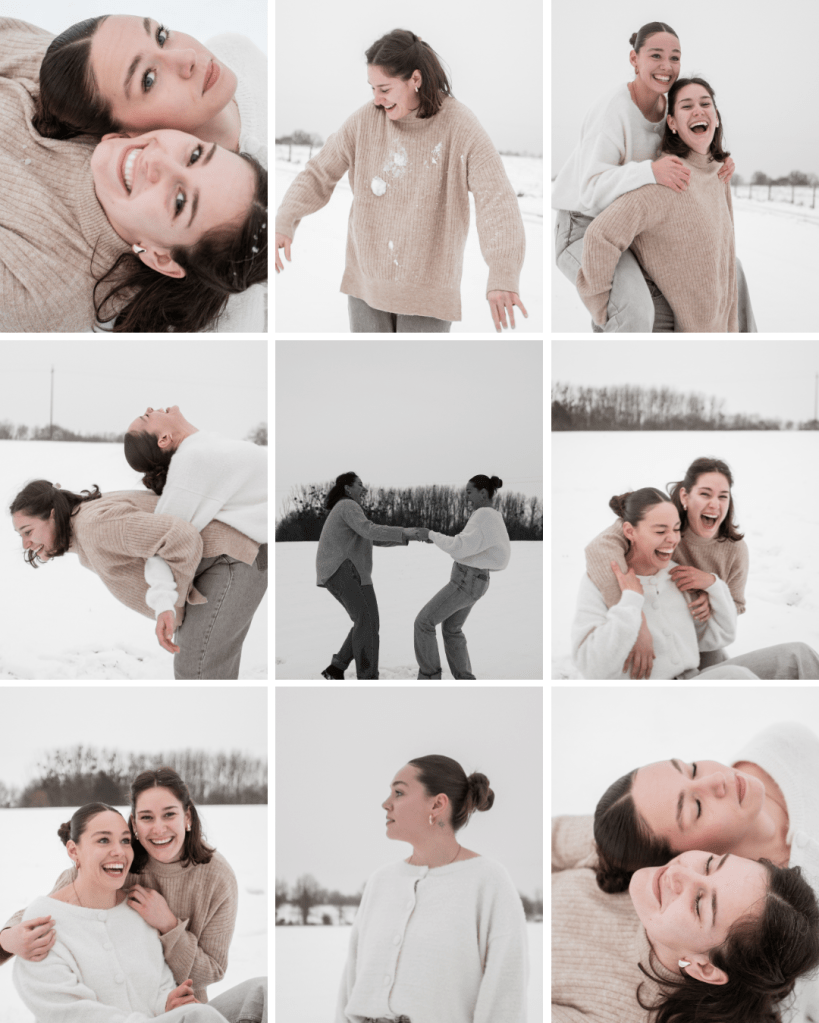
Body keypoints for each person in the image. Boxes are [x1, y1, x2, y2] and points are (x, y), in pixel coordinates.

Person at [0, 17, 267, 333]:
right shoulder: (91, 81)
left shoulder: (43, 291)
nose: (158, 163)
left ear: (161, 258)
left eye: (180, 201)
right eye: (195, 154)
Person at [275, 28, 527, 334]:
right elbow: (319, 172)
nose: (377, 99)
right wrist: (285, 217)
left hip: (427, 293)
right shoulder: (364, 122)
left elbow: (496, 198)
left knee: (415, 379)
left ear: (415, 80)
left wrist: (503, 271)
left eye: (385, 88)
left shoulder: (460, 125)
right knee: (373, 378)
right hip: (366, 287)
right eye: (372, 89)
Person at [587, 722, 819, 1020]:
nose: (718, 780)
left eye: (692, 769)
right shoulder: (774, 939)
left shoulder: (783, 743)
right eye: (695, 807)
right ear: (675, 857)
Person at [3, 770, 267, 1022]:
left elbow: (209, 971)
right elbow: (54, 906)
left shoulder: (216, 877)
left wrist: (169, 927)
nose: (159, 828)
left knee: (263, 993)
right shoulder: (111, 870)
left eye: (169, 814)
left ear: (187, 817)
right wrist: (7, 939)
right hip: (178, 1017)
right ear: (135, 824)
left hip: (185, 1009)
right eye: (147, 817)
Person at [552, 21, 756, 333]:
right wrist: (649, 171)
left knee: (729, 271)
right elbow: (590, 190)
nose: (667, 66)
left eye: (675, 57)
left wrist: (718, 158)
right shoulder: (613, 111)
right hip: (583, 225)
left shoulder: (666, 108)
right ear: (634, 59)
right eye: (656, 56)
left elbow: (688, 140)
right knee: (635, 310)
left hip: (630, 225)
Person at [552, 816, 819, 1023]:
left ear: (704, 968)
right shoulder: (654, 840)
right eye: (710, 865)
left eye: (699, 903)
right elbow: (550, 838)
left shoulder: (618, 1015)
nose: (679, 874)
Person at [336, 755, 528, 1022]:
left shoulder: (487, 881)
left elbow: (505, 993)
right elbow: (350, 985)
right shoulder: (381, 882)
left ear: (437, 804)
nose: (386, 804)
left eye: (399, 792)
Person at [9, 481, 262, 679]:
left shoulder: (94, 526)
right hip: (222, 563)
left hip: (234, 558)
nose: (25, 544)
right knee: (199, 668)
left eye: (28, 531)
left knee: (197, 670)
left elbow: (181, 537)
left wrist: (172, 606)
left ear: (52, 515)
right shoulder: (84, 522)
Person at [571, 486, 819, 679]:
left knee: (800, 656)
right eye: (660, 531)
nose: (672, 540)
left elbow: (719, 637)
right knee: (736, 678)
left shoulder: (678, 575)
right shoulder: (600, 582)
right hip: (654, 699)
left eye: (676, 529)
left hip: (698, 678)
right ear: (629, 532)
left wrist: (713, 587)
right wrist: (630, 607)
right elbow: (591, 667)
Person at [576, 77, 741, 332]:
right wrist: (602, 314)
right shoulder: (667, 181)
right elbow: (601, 235)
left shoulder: (720, 176)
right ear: (672, 123)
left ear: (716, 117)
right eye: (686, 106)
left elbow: (725, 259)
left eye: (705, 103)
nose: (698, 110)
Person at [124, 405, 267, 681]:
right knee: (198, 672)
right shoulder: (194, 459)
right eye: (146, 417)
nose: (150, 408)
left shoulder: (202, 447)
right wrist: (163, 601)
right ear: (163, 439)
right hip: (234, 566)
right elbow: (162, 539)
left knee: (203, 670)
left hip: (242, 563)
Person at [584, 457, 749, 679]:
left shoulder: (735, 549)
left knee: (739, 674)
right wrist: (636, 621)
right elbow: (599, 549)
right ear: (684, 496)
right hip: (654, 638)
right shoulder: (660, 517)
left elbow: (735, 605)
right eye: (705, 494)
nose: (714, 504)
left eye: (723, 496)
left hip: (699, 639)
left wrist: (710, 595)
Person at [316, 472, 424, 680]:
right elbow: (369, 530)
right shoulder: (347, 506)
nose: (364, 489)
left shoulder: (348, 508)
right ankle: (367, 677)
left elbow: (370, 537)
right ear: (348, 488)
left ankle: (336, 668)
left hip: (346, 572)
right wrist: (404, 532)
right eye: (360, 485)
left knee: (366, 621)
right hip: (344, 570)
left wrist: (406, 537)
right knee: (367, 622)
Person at [413, 475, 511, 680]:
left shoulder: (483, 515)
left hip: (466, 581)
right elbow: (496, 555)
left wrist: (430, 534)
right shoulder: (493, 515)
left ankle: (429, 679)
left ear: (483, 493)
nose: (467, 498)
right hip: (475, 580)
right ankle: (465, 681)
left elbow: (458, 546)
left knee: (424, 622)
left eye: (469, 492)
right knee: (451, 629)